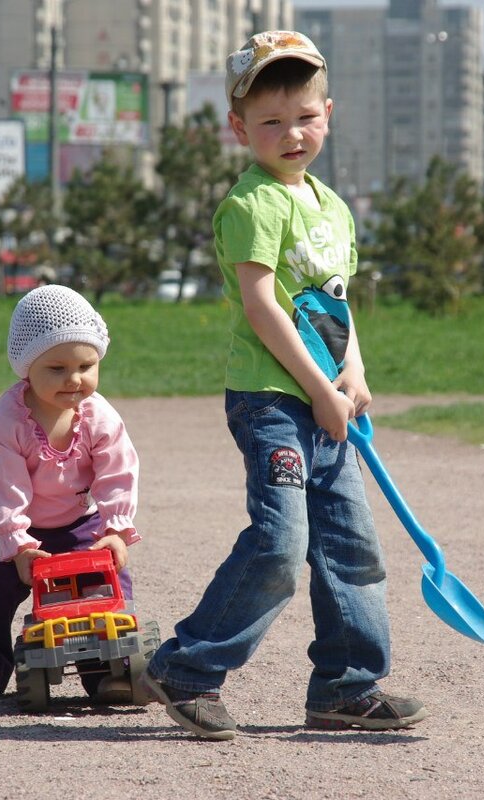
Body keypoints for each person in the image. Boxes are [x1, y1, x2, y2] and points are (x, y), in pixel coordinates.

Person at [140, 30, 426, 741]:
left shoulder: (333, 208)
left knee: (352, 547)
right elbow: (265, 309)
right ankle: (188, 669)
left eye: (303, 115)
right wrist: (319, 391)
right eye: (270, 121)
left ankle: (345, 685)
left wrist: (353, 372)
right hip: (273, 402)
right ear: (239, 128)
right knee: (279, 542)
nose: (290, 133)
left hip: (327, 403)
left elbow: (335, 300)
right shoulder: (252, 205)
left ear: (328, 112)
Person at [0, 285, 141, 704]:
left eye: (86, 366)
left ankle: (109, 671)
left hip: (78, 521)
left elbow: (117, 472)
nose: (74, 379)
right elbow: (7, 487)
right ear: (26, 369)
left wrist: (115, 529)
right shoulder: (8, 419)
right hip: (10, 521)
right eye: (56, 368)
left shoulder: (99, 415)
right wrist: (16, 545)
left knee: (103, 586)